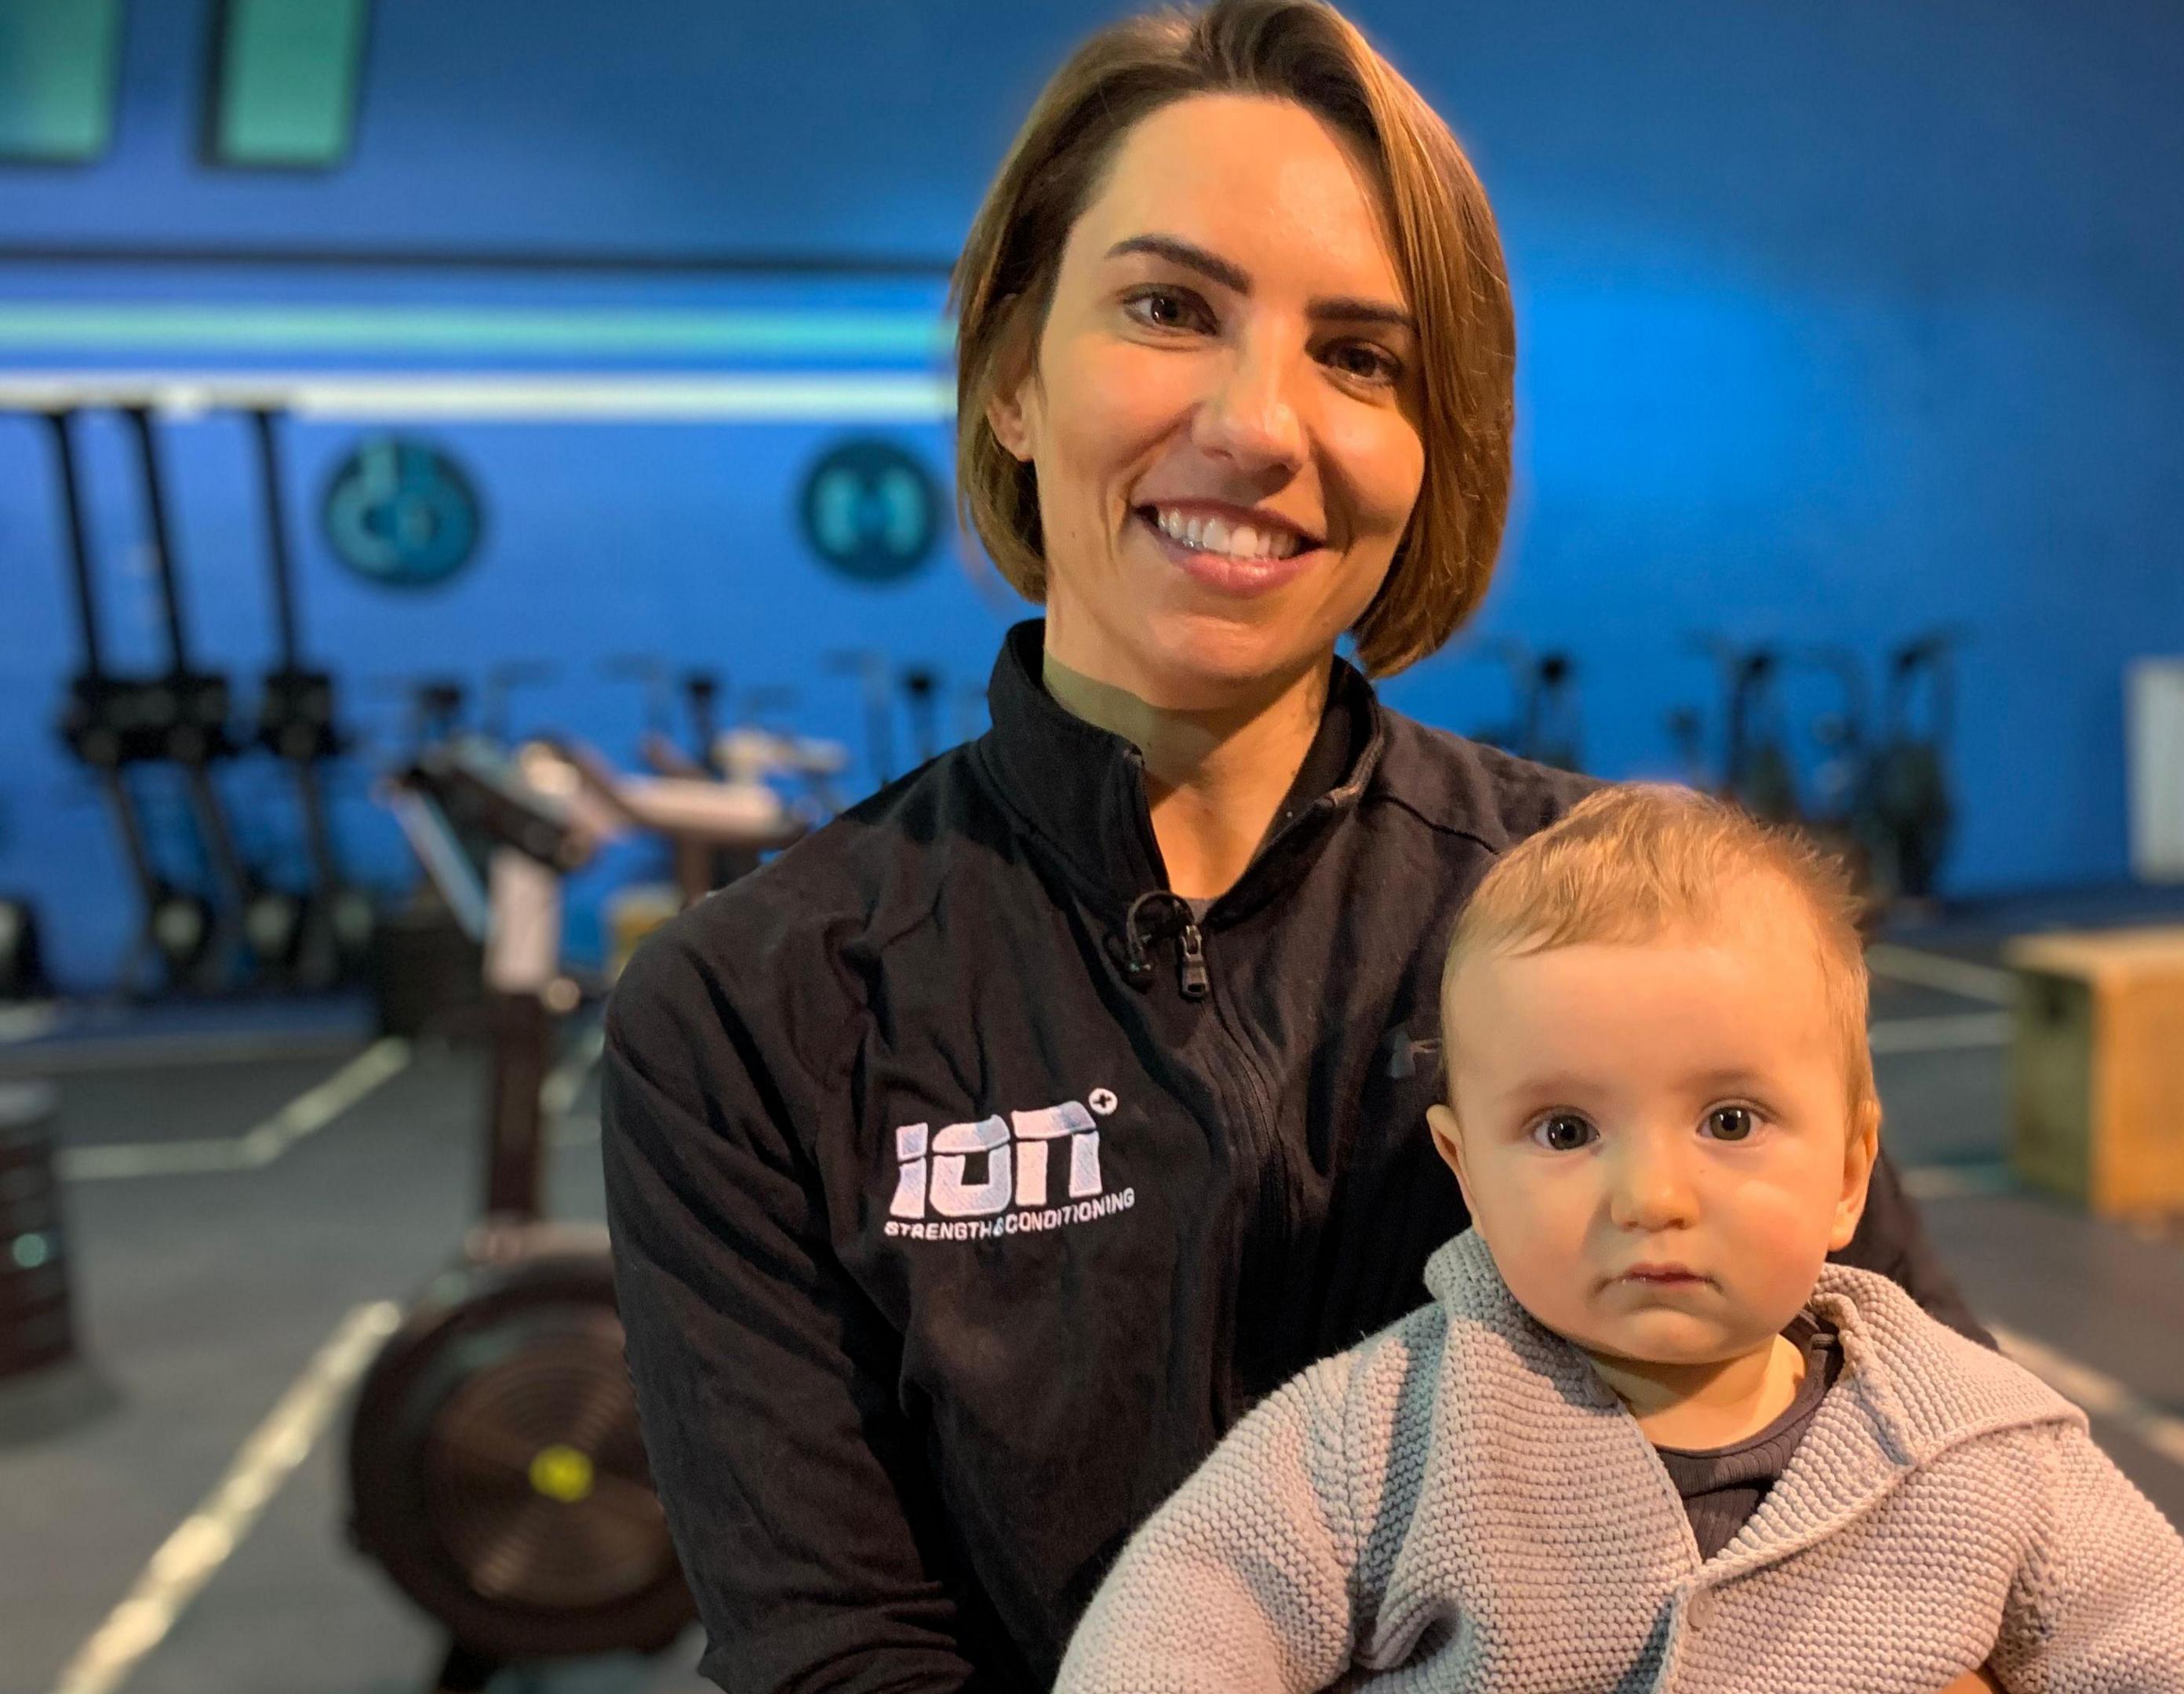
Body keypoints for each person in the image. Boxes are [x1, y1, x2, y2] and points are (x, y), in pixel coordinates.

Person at [599, 5, 1979, 1689]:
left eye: (1361, 355)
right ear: (1017, 375)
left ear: (1428, 448)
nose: (1262, 425)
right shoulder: (755, 1016)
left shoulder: (1640, 914)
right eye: (1170, 309)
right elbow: (839, 1655)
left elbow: (1947, 1475)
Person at [1054, 787, 2184, 1694]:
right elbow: (1176, 1623)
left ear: (1848, 1172)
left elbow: (2163, 1658)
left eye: (1730, 1121)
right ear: (1465, 1174)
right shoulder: (1381, 1433)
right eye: (1566, 1128)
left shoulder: (1985, 1448)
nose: (1651, 1195)